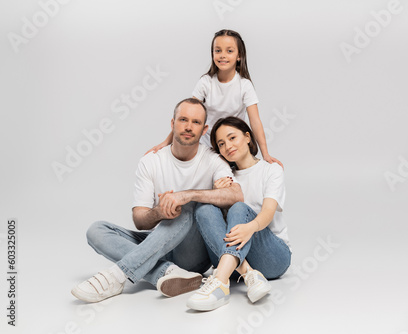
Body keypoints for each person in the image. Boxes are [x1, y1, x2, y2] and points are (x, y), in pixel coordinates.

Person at [71, 98, 243, 303]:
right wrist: (159, 212)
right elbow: (140, 220)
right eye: (183, 120)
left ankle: (117, 276)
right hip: (160, 242)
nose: (188, 127)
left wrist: (186, 195)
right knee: (96, 230)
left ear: (204, 129)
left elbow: (235, 195)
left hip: (193, 253)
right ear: (172, 124)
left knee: (185, 206)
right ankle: (167, 272)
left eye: (196, 122)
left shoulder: (214, 160)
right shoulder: (151, 161)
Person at [186, 116, 291, 311]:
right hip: (233, 263)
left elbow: (268, 212)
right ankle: (242, 277)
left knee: (240, 208)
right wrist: (218, 194)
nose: (228, 146)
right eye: (221, 143)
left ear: (248, 137)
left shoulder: (271, 170)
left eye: (232, 138)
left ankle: (219, 281)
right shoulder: (226, 177)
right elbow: (214, 223)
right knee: (205, 207)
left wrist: (249, 228)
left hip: (272, 257)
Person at [145, 29, 282, 168]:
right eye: (218, 51)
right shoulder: (206, 82)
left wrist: (265, 154)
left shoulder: (244, 85)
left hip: (232, 146)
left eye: (229, 51)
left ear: (239, 55)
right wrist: (166, 142)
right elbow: (189, 114)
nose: (222, 55)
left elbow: (255, 121)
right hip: (208, 146)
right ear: (212, 54)